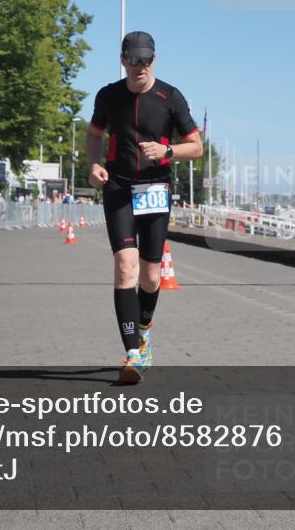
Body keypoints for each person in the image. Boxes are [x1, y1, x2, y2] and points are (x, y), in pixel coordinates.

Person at [87, 31, 203, 383]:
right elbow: (94, 135)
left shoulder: (171, 97)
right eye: (133, 60)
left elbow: (196, 146)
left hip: (155, 188)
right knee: (125, 265)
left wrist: (167, 151)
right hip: (119, 187)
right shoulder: (108, 95)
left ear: (155, 59)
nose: (140, 66)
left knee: (151, 275)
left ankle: (145, 328)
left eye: (146, 60)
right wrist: (93, 165)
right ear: (122, 59)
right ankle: (133, 352)